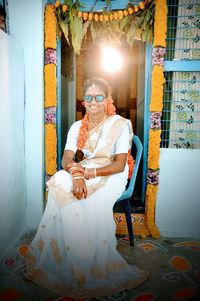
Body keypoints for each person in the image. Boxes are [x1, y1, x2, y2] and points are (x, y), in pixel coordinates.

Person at [23, 78, 149, 299]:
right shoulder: (76, 126)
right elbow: (67, 158)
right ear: (83, 101)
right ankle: (72, 258)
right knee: (61, 180)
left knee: (84, 199)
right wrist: (76, 172)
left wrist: (87, 174)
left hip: (112, 174)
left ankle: (85, 261)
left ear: (107, 99)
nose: (93, 101)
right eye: (88, 97)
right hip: (84, 170)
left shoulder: (120, 124)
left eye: (99, 96)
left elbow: (120, 165)